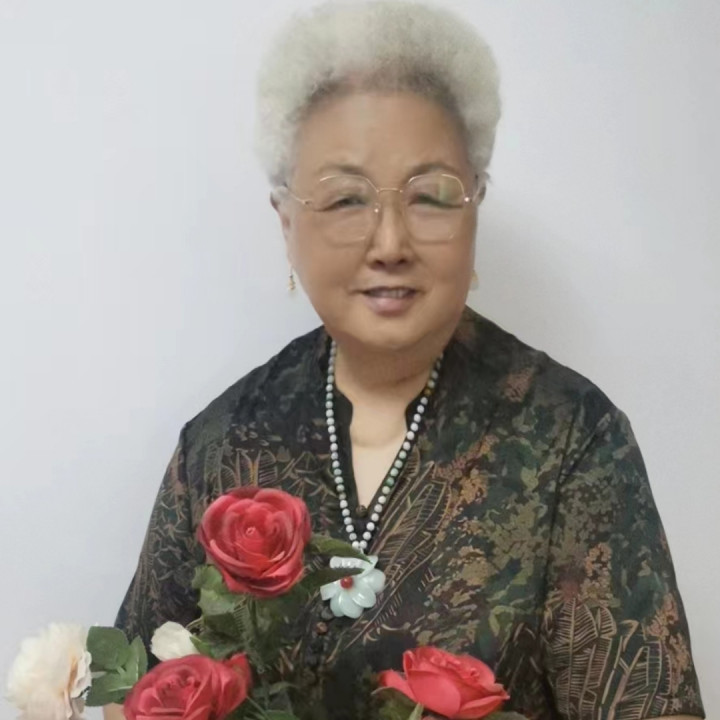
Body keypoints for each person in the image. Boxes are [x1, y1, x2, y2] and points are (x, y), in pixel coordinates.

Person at [105, 1, 704, 719]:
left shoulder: (573, 442)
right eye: (345, 199)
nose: (389, 241)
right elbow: (135, 691)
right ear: (286, 222)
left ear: (475, 206)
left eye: (431, 196)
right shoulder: (222, 445)